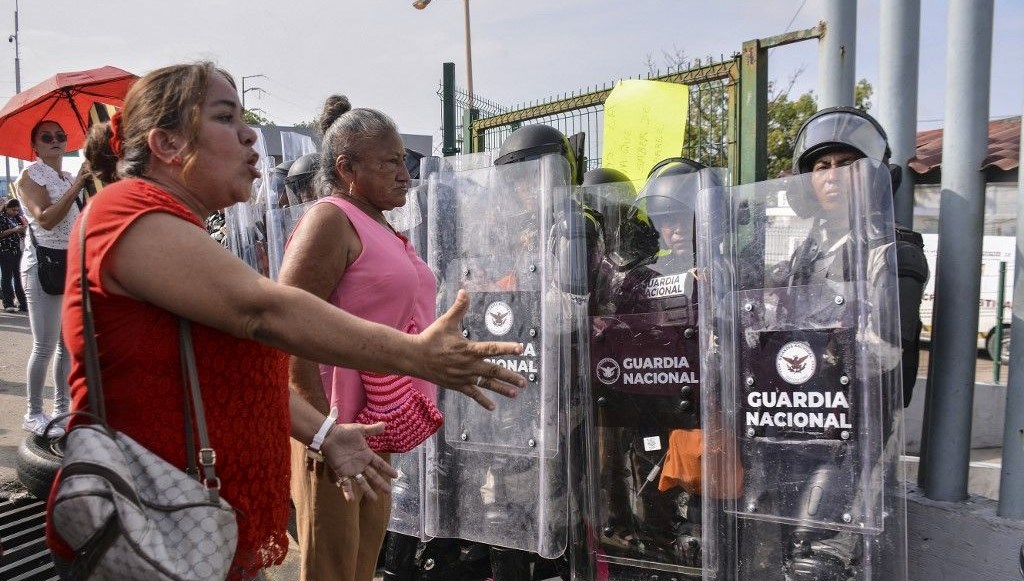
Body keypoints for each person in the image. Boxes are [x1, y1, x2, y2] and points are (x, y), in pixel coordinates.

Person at [47, 62, 526, 581]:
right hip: (150, 516)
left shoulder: (178, 227)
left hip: (194, 517)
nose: (250, 132)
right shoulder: (124, 210)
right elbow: (267, 312)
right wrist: (416, 356)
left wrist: (324, 433)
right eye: (225, 117)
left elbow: (231, 371)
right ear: (166, 144)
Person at [279, 95, 441, 581]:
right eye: (391, 161)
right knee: (330, 568)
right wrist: (319, 432)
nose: (404, 172)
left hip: (372, 426)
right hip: (332, 430)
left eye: (405, 160)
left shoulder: (380, 224)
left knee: (360, 565)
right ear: (347, 167)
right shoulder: (330, 219)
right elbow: (286, 324)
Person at [16, 120, 91, 438]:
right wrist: (77, 187)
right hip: (41, 266)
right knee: (44, 345)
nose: (55, 141)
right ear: (35, 145)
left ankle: (62, 411)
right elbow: (45, 219)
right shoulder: (30, 176)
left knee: (66, 345)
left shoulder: (68, 176)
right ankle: (33, 413)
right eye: (46, 137)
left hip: (70, 265)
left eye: (60, 136)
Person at [0, 198, 28, 312]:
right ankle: (8, 303)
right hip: (5, 250)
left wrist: (22, 230)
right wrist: (14, 230)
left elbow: (22, 232)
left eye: (17, 210)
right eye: (13, 210)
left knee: (19, 276)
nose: (15, 212)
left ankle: (23, 303)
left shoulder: (17, 218)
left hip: (18, 249)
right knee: (7, 277)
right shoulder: (1, 218)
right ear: (7, 207)